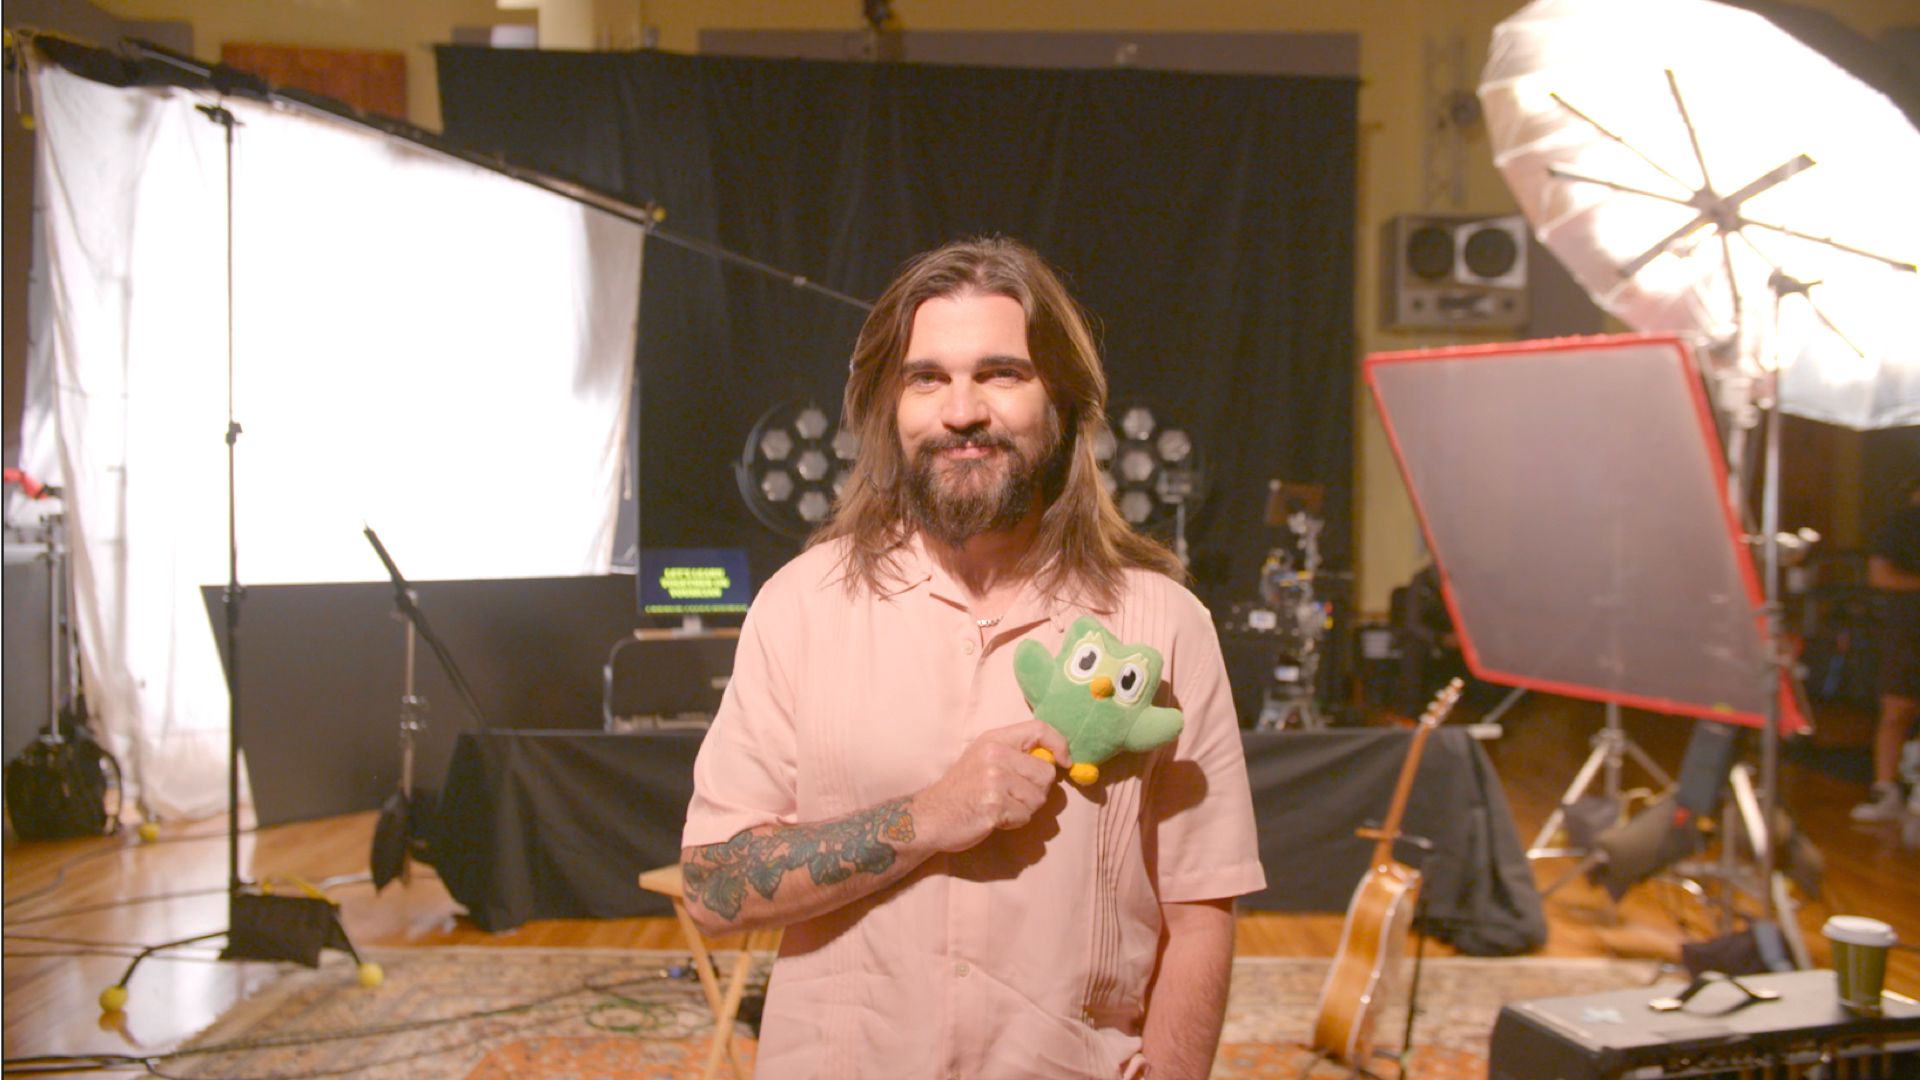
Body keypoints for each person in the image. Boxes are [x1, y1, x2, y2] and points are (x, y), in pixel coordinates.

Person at [678, 237, 1265, 1078]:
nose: (961, 411)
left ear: (1061, 399)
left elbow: (1200, 907)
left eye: (1000, 373)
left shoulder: (1164, 623)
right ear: (889, 405)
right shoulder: (800, 606)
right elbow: (711, 887)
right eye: (927, 378)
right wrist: (926, 818)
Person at [1851, 473, 1920, 823]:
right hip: (1906, 630)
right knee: (1897, 708)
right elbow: (1880, 576)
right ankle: (1886, 788)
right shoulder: (1898, 526)